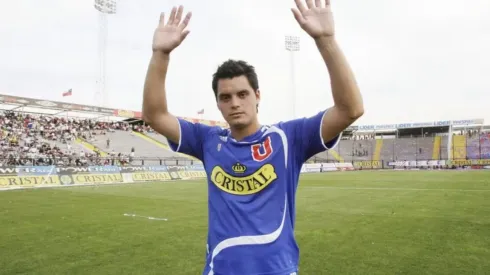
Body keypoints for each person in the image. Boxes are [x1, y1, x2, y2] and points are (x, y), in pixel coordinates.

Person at [142, 0, 364, 274]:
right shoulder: (207, 140)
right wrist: (160, 55)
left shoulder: (288, 138)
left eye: (242, 94)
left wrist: (326, 41)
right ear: (218, 104)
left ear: (257, 96)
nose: (235, 103)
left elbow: (350, 109)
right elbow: (154, 115)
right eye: (226, 97)